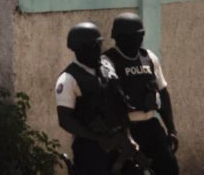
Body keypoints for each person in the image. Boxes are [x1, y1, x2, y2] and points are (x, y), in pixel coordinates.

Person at [55, 22, 143, 175]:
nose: (98, 50)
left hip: (118, 143)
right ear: (79, 50)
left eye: (99, 45)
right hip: (90, 149)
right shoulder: (68, 79)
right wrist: (97, 137)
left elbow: (121, 105)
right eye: (93, 47)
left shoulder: (108, 69)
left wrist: (128, 138)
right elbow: (65, 119)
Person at [103, 12, 179, 175]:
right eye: (130, 37)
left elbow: (163, 93)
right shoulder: (107, 61)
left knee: (170, 168)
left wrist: (171, 129)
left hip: (151, 125)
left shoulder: (149, 57)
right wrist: (122, 134)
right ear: (118, 38)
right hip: (126, 128)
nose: (136, 40)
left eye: (139, 36)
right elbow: (110, 101)